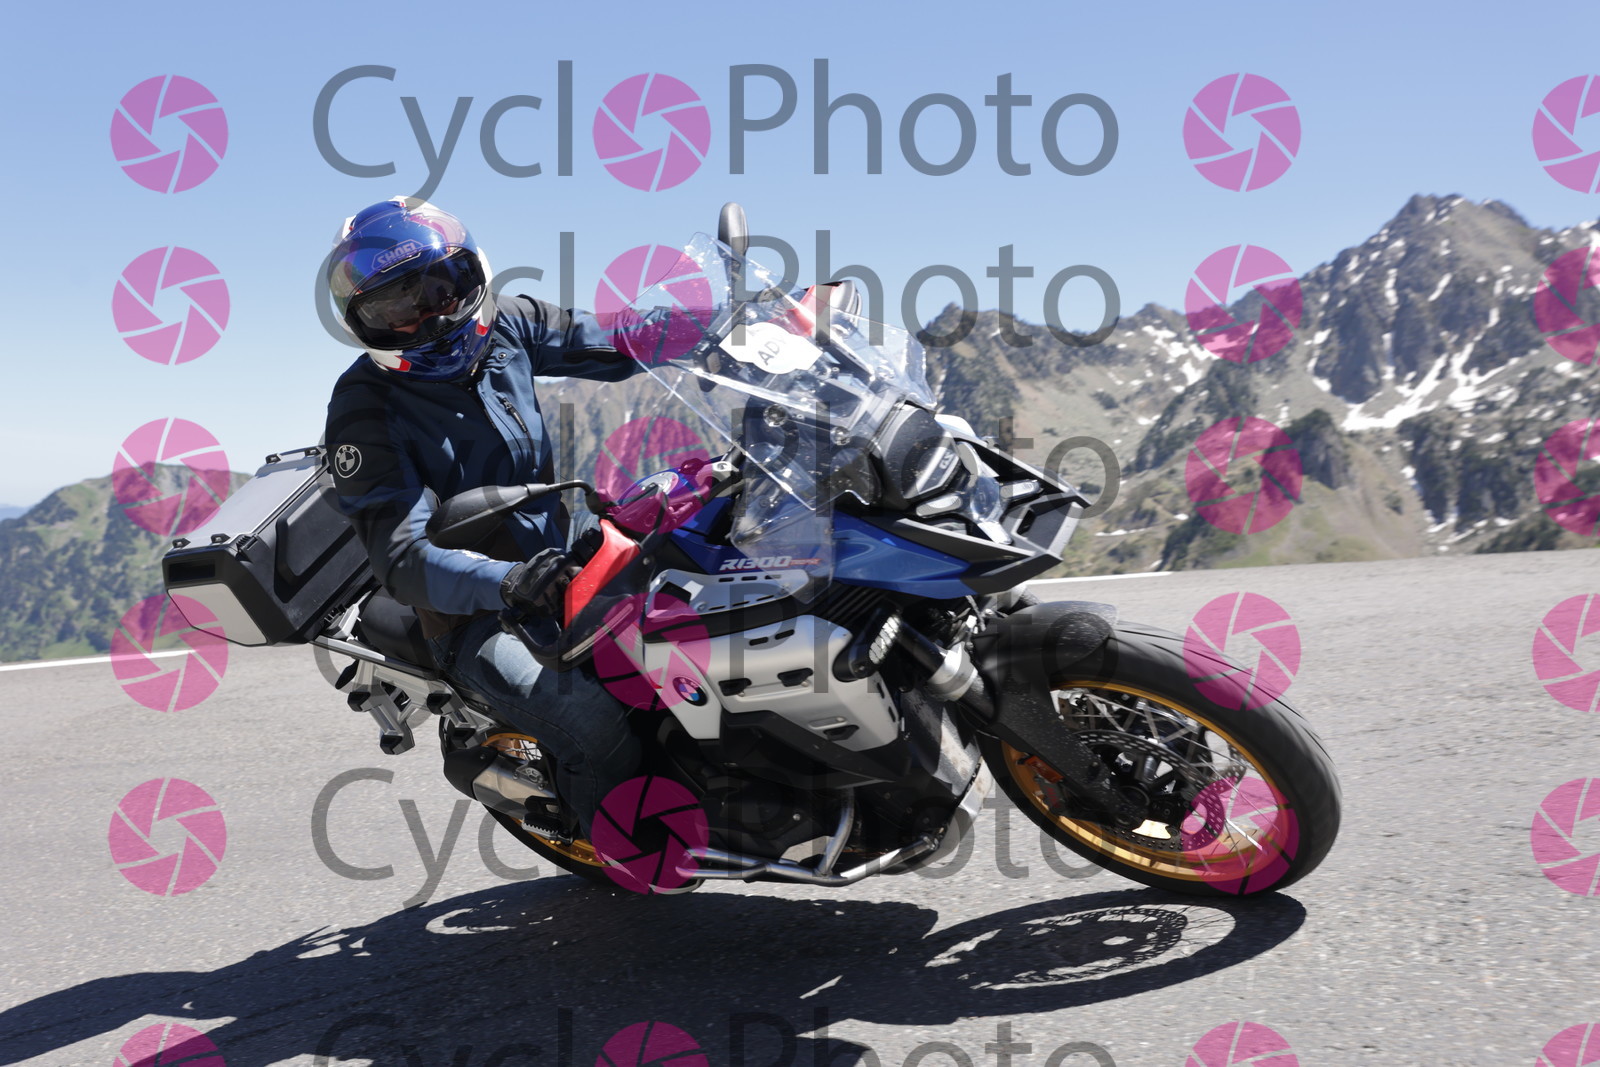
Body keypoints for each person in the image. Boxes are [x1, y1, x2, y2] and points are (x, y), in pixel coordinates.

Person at [322, 196, 641, 839]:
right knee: (598, 722)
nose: (429, 319)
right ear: (365, 324)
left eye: (438, 292)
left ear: (471, 277)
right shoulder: (364, 406)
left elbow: (628, 335)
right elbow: (404, 557)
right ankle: (631, 848)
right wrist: (507, 581)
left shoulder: (509, 326)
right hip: (474, 613)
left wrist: (764, 322)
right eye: (396, 309)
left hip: (564, 558)